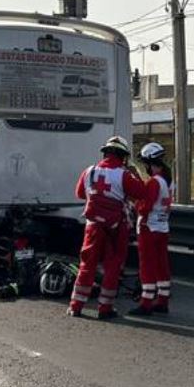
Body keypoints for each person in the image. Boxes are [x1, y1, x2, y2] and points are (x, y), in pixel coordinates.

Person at [69, 135, 146, 319]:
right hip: (115, 227)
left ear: (105, 153)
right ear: (123, 156)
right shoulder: (124, 175)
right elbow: (141, 192)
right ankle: (105, 308)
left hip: (92, 226)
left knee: (87, 264)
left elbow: (80, 194)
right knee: (113, 266)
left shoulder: (89, 171)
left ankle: (76, 306)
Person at [129, 142, 173, 316]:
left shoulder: (154, 183)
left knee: (147, 266)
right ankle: (163, 300)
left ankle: (146, 302)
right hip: (162, 227)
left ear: (149, 162)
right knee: (162, 265)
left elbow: (144, 207)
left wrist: (134, 202)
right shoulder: (167, 181)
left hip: (148, 228)